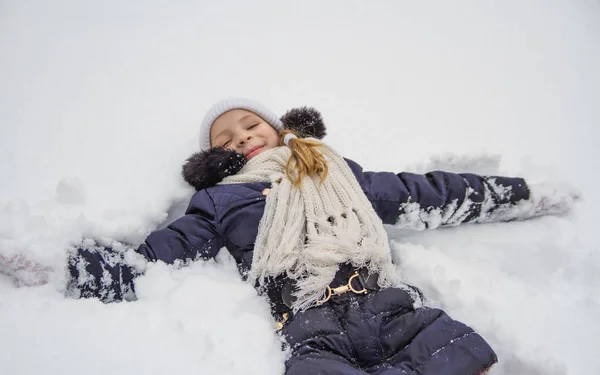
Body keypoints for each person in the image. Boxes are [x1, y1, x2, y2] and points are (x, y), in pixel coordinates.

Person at [65, 98, 578, 374]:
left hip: (384, 299)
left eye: (250, 124)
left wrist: (519, 194)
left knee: (446, 352)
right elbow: (161, 254)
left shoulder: (334, 172)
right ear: (217, 157)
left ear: (277, 128)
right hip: (306, 321)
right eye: (227, 137)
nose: (242, 135)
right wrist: (68, 269)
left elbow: (424, 193)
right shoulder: (220, 201)